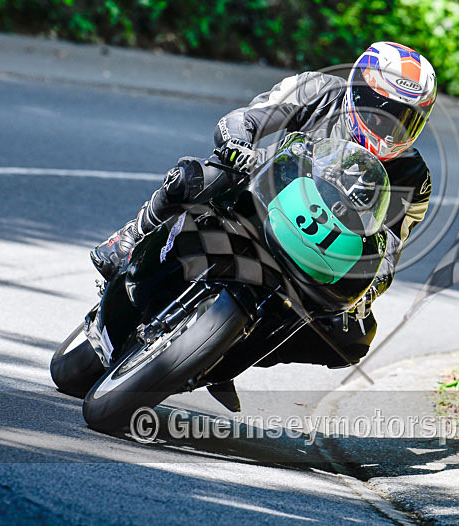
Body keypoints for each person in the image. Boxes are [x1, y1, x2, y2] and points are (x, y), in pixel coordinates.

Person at [90, 42, 437, 410]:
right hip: (261, 195)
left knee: (351, 337)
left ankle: (231, 351)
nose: (389, 129)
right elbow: (247, 118)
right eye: (381, 113)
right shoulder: (317, 90)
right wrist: (240, 140)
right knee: (198, 177)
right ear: (356, 91)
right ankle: (133, 236)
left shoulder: (415, 180)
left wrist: (368, 288)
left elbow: (389, 249)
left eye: (405, 120)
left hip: (319, 252)